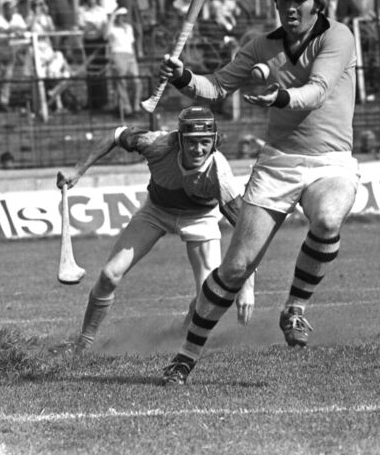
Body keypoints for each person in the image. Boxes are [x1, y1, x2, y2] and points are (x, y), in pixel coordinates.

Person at [157, 0, 360, 385]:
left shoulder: (338, 36)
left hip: (331, 161)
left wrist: (280, 96)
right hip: (278, 163)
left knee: (326, 219)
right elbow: (215, 87)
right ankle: (185, 357)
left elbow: (316, 91)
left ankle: (295, 308)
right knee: (235, 269)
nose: (290, 6)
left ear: (316, 2)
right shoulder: (258, 45)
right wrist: (184, 78)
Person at [52, 107, 255, 353]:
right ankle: (83, 343)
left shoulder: (220, 173)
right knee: (109, 274)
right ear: (179, 139)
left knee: (207, 297)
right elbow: (117, 135)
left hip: (200, 218)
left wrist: (246, 287)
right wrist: (79, 170)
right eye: (191, 142)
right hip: (156, 211)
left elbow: (246, 232)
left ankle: (181, 337)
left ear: (214, 141)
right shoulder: (157, 143)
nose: (199, 150)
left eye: (205, 142)